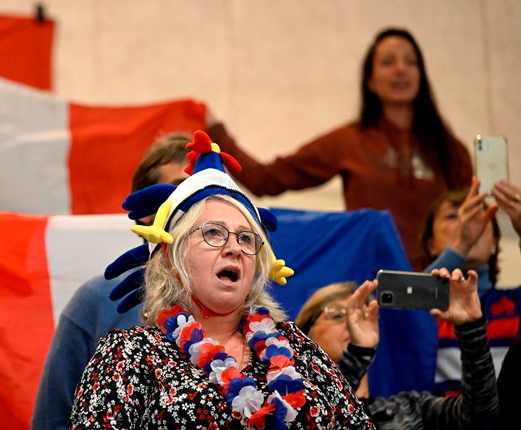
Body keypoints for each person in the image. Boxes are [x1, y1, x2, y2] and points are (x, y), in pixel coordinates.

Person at [70, 130, 373, 428]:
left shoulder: (300, 349)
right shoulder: (131, 354)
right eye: (213, 233)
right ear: (173, 257)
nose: (234, 248)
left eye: (246, 238)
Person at [210, 27, 472, 269]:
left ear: (421, 75)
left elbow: (475, 223)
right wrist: (215, 132)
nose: (401, 69)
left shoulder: (450, 149)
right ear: (370, 81)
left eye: (410, 61)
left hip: (442, 285)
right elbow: (264, 179)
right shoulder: (349, 141)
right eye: (388, 62)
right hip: (371, 283)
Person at [31, 133, 189, 430]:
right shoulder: (97, 299)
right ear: (144, 212)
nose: (199, 203)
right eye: (181, 191)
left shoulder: (246, 309)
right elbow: (52, 421)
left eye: (214, 191)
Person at [296, 274, 500, 429]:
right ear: (304, 335)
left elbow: (479, 416)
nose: (352, 323)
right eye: (338, 315)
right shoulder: (290, 407)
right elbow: (318, 414)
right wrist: (358, 353)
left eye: (365, 315)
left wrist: (471, 329)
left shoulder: (410, 410)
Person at [419, 178, 521, 395]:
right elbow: (398, 307)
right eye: (453, 216)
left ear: (495, 243)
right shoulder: (427, 309)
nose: (470, 223)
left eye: (481, 215)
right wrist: (461, 246)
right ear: (431, 245)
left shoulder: (516, 302)